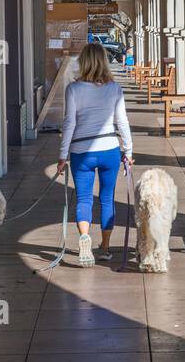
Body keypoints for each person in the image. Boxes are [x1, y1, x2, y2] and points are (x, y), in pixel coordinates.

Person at [56, 42, 133, 266]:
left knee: (84, 199)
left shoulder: (73, 89)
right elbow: (123, 122)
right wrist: (128, 150)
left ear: (83, 62)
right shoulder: (114, 88)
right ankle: (106, 248)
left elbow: (69, 123)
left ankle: (84, 239)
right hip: (109, 149)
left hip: (82, 151)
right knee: (107, 198)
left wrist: (63, 156)